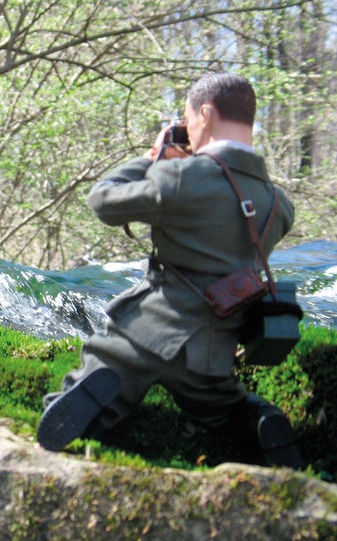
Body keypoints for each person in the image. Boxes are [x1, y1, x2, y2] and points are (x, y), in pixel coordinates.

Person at [36, 72, 304, 469]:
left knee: (101, 370)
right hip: (213, 352)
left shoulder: (181, 177)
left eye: (189, 120)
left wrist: (152, 159)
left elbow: (103, 201)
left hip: (143, 334)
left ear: (206, 114)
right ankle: (257, 418)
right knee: (221, 410)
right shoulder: (278, 204)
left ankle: (93, 401)